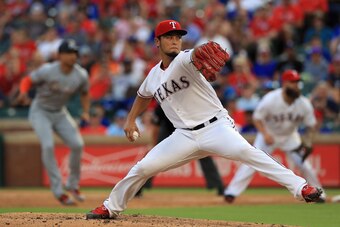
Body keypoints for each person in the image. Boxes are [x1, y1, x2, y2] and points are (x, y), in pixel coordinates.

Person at [86, 20, 322, 220]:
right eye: (169, 36)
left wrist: (201, 51)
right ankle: (110, 207)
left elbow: (195, 54)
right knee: (143, 167)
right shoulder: (153, 75)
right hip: (184, 135)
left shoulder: (184, 59)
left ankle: (301, 188)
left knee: (250, 153)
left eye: (178, 36)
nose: (175, 40)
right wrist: (130, 120)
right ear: (157, 42)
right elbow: (142, 96)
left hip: (216, 127)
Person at [224, 69, 326, 203]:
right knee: (251, 161)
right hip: (269, 135)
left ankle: (319, 194)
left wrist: (307, 142)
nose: (296, 85)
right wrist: (265, 134)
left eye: (297, 82)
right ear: (285, 83)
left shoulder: (303, 103)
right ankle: (231, 192)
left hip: (290, 137)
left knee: (304, 165)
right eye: (293, 82)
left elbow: (311, 126)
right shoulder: (271, 99)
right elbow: (257, 118)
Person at [15, 39, 90, 205]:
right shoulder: (48, 70)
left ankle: (72, 185)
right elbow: (28, 80)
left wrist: (85, 112)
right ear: (60, 55)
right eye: (69, 53)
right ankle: (58, 191)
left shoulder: (81, 74)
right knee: (48, 146)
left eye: (75, 53)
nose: (73, 56)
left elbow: (85, 92)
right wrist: (23, 92)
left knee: (77, 144)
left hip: (60, 112)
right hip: (40, 111)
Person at [135, 104, 225, 197]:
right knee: (153, 157)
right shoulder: (163, 104)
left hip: (190, 129)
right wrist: (154, 145)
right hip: (168, 130)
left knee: (204, 154)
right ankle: (137, 188)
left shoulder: (189, 101)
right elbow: (156, 127)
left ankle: (219, 186)